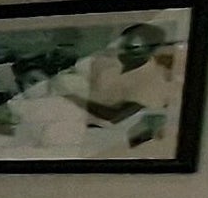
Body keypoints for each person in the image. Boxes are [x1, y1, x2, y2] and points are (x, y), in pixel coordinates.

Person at [74, 20, 183, 148]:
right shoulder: (104, 63)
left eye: (133, 48)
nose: (124, 52)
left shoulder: (154, 82)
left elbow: (115, 116)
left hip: (113, 140)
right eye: (123, 46)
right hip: (75, 126)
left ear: (152, 50)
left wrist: (72, 97)